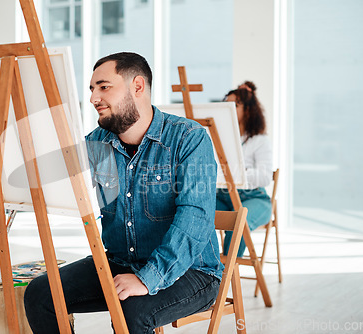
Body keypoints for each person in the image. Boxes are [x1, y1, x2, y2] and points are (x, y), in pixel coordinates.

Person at [24, 52, 223, 333]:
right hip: (122, 262)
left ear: (137, 87)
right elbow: (55, 181)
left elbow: (195, 219)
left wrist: (147, 279)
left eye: (104, 87)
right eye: (92, 89)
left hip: (191, 269)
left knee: (132, 310)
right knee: (41, 294)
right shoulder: (96, 142)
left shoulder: (188, 138)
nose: (94, 98)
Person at [218, 81, 273, 257]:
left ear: (248, 110)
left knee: (240, 221)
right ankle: (206, 269)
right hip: (224, 196)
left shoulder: (259, 140)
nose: (228, 108)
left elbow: (265, 177)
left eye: (234, 105)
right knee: (195, 212)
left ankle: (226, 273)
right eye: (225, 104)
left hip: (254, 198)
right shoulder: (219, 138)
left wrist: (237, 174)